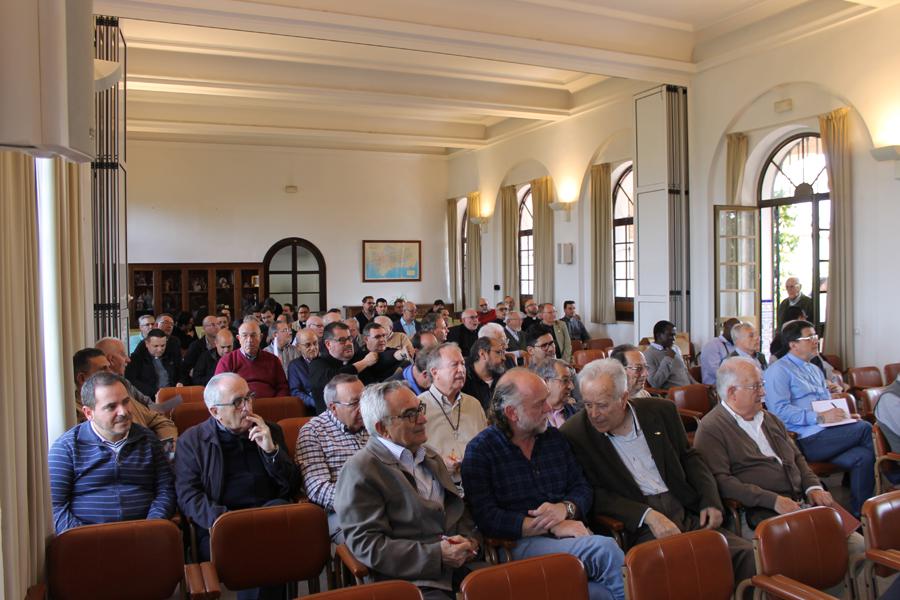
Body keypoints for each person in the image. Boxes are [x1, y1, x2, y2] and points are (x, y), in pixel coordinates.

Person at [560, 359, 755, 585]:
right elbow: (594, 493)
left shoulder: (661, 411)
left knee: (746, 555)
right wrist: (647, 515)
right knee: (685, 568)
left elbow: (689, 458)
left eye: (602, 405)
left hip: (684, 507)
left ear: (623, 398)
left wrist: (710, 500)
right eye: (587, 404)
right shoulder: (576, 433)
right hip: (638, 522)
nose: (594, 414)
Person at [462, 368, 625, 600]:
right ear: (512, 413)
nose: (549, 408)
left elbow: (582, 487)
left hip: (571, 535)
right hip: (518, 544)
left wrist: (565, 509)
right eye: (540, 404)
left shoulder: (554, 439)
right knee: (605, 551)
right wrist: (550, 525)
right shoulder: (481, 451)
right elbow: (487, 517)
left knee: (600, 593)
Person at [334, 381, 480, 599]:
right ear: (382, 428)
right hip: (410, 580)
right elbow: (367, 546)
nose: (423, 419)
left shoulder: (429, 456)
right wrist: (436, 555)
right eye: (410, 414)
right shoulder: (361, 470)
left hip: (457, 567)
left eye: (420, 409)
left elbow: (456, 509)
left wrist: (469, 541)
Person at [696, 358, 845, 529]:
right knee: (823, 550)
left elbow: (797, 457)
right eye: (756, 387)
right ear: (732, 392)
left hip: (801, 502)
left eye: (762, 385)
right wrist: (772, 500)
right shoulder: (712, 428)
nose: (763, 392)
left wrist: (813, 487)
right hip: (761, 512)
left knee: (857, 544)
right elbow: (721, 481)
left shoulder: (769, 419)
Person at [175, 373, 300, 563]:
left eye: (249, 397)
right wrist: (229, 521)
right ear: (215, 412)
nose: (247, 408)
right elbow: (189, 496)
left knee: (275, 534)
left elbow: (291, 486)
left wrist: (271, 452)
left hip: (268, 515)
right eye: (237, 403)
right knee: (264, 554)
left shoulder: (270, 431)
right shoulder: (192, 441)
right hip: (222, 524)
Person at [763, 320, 875, 516]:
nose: (816, 341)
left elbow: (825, 404)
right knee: (865, 428)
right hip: (803, 439)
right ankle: (894, 474)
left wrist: (845, 416)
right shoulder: (778, 370)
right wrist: (820, 418)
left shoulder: (814, 369)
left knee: (863, 457)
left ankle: (862, 517)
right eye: (810, 338)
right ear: (793, 344)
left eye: (816, 337)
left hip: (829, 435)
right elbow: (778, 411)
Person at [50, 371, 175, 534]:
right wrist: (87, 538)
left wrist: (151, 527)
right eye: (111, 406)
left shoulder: (148, 440)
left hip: (144, 536)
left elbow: (166, 489)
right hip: (87, 543)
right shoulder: (66, 448)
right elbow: (54, 507)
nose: (123, 412)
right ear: (89, 413)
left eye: (126, 402)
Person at [296, 374, 369, 541]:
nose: (364, 408)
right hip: (343, 511)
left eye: (365, 399)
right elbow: (318, 488)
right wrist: (363, 501)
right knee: (377, 544)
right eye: (354, 403)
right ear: (333, 407)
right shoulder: (313, 432)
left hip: (386, 502)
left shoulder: (374, 424)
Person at [420, 343, 487, 485]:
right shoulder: (418, 407)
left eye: (462, 364)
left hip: (479, 482)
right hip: (439, 486)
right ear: (434, 372)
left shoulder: (473, 404)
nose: (461, 370)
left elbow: (486, 444)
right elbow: (411, 453)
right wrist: (438, 463)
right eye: (454, 365)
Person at [308, 322, 379, 414]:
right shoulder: (317, 364)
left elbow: (382, 358)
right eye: (342, 340)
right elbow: (333, 379)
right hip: (331, 421)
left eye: (350, 338)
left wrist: (399, 355)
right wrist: (363, 363)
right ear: (328, 344)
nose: (349, 343)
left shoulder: (358, 357)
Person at [214, 319, 290, 398]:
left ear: (260, 337)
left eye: (253, 335)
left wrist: (276, 403)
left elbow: (283, 387)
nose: (249, 340)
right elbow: (219, 388)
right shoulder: (227, 361)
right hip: (239, 406)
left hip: (269, 405)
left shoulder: (273, 360)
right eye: (244, 336)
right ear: (238, 338)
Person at [125, 328, 183, 398]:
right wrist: (155, 393)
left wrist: (181, 382)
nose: (160, 350)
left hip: (172, 394)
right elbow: (131, 381)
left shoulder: (172, 353)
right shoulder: (137, 358)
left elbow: (182, 372)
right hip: (148, 397)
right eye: (156, 346)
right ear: (147, 344)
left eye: (163, 345)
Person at [644, 320, 696, 389]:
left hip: (688, 391)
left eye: (674, 335)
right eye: (670, 335)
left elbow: (685, 372)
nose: (674, 339)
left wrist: (698, 385)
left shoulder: (675, 348)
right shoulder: (648, 355)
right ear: (659, 335)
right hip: (672, 395)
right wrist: (668, 358)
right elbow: (655, 383)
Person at [462, 337, 506, 411]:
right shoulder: (463, 379)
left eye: (503, 352)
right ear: (482, 354)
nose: (504, 358)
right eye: (498, 352)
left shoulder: (504, 378)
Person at [532, 358, 577, 427]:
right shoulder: (531, 418)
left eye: (571, 380)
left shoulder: (574, 413)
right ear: (545, 382)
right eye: (565, 380)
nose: (571, 386)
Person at [699, 317, 740, 385]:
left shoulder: (736, 345)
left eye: (739, 331)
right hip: (714, 388)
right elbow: (716, 372)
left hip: (733, 384)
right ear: (726, 327)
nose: (737, 334)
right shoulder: (712, 345)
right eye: (735, 330)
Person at [288, 328, 320, 412]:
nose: (313, 348)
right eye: (308, 345)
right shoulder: (294, 366)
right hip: (310, 408)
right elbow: (296, 392)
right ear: (298, 347)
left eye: (315, 343)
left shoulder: (326, 361)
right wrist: (315, 403)